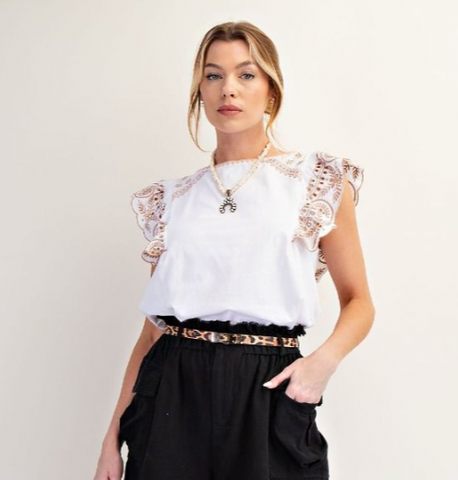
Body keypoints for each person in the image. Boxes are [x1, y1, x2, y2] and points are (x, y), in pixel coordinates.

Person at [93, 20, 375, 480]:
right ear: (199, 93)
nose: (229, 88)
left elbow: (359, 301)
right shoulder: (174, 199)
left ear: (271, 90)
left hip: (267, 388)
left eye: (246, 74)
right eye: (213, 75)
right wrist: (111, 439)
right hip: (173, 388)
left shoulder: (314, 180)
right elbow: (152, 332)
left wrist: (322, 363)